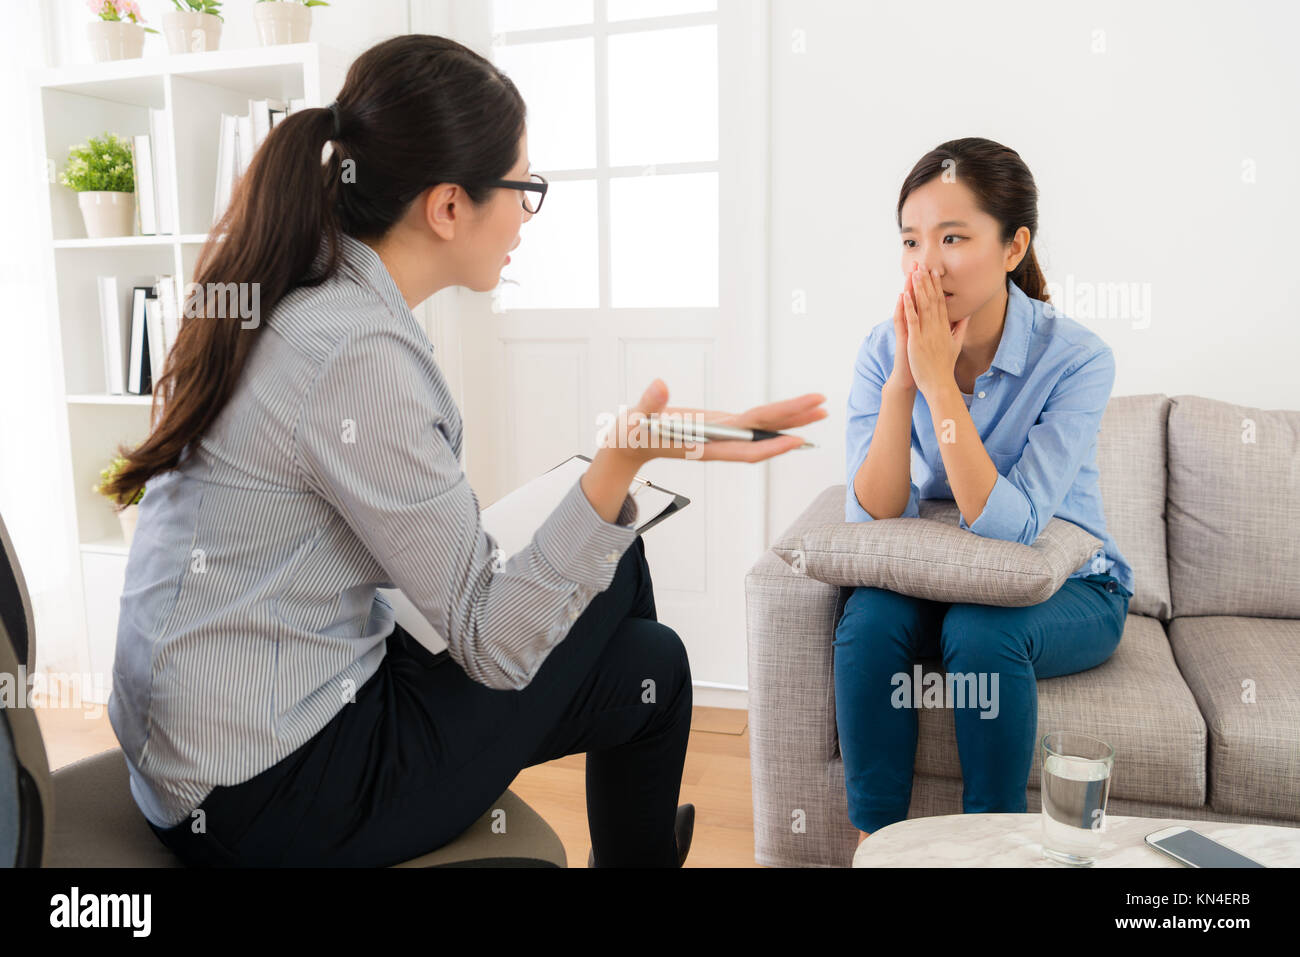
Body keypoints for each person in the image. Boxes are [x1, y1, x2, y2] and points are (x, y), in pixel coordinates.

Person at [100, 34, 825, 867]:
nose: (526, 212)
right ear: (448, 207)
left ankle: (641, 844)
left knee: (646, 659)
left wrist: (623, 466)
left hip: (233, 730)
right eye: (524, 188)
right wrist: (621, 461)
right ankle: (642, 842)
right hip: (267, 791)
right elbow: (491, 639)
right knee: (636, 640)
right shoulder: (357, 355)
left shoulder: (311, 291)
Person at [835, 137, 1134, 849]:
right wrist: (905, 375)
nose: (925, 262)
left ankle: (988, 850)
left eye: (953, 237)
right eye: (911, 240)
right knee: (869, 618)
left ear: (1012, 246)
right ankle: (879, 845)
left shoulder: (1077, 357)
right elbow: (875, 512)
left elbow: (1013, 525)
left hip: (1072, 587)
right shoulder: (883, 346)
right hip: (947, 572)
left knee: (982, 628)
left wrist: (941, 382)